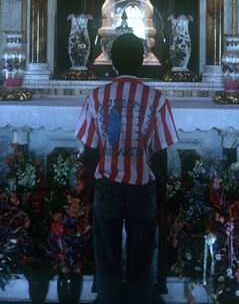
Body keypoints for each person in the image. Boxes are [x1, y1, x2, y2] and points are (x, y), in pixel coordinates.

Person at [75, 33, 178, 304]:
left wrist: (88, 199)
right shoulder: (157, 100)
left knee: (106, 258)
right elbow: (161, 155)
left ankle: (108, 299)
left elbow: (91, 152)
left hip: (107, 188)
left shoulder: (97, 97)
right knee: (141, 260)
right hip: (142, 189)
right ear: (142, 59)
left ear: (112, 61)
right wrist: (161, 201)